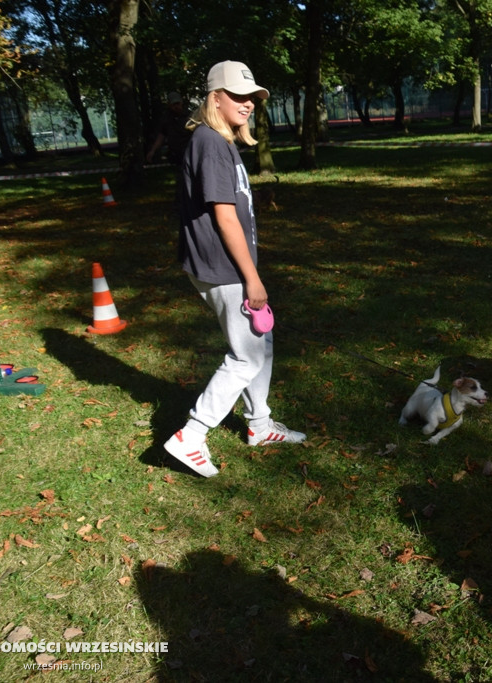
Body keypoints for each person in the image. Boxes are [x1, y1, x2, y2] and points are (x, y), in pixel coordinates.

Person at [163, 61, 305, 478]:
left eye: (251, 98)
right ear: (215, 97)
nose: (247, 104)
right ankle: (191, 435)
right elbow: (224, 216)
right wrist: (252, 277)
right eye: (238, 96)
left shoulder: (221, 142)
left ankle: (260, 426)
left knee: (262, 342)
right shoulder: (208, 141)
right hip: (223, 268)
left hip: (229, 266)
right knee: (245, 357)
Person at [146, 91, 191, 165]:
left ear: (181, 103)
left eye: (178, 104)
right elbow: (161, 136)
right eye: (173, 104)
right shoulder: (166, 119)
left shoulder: (190, 116)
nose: (176, 107)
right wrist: (153, 151)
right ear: (169, 105)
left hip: (188, 152)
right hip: (175, 155)